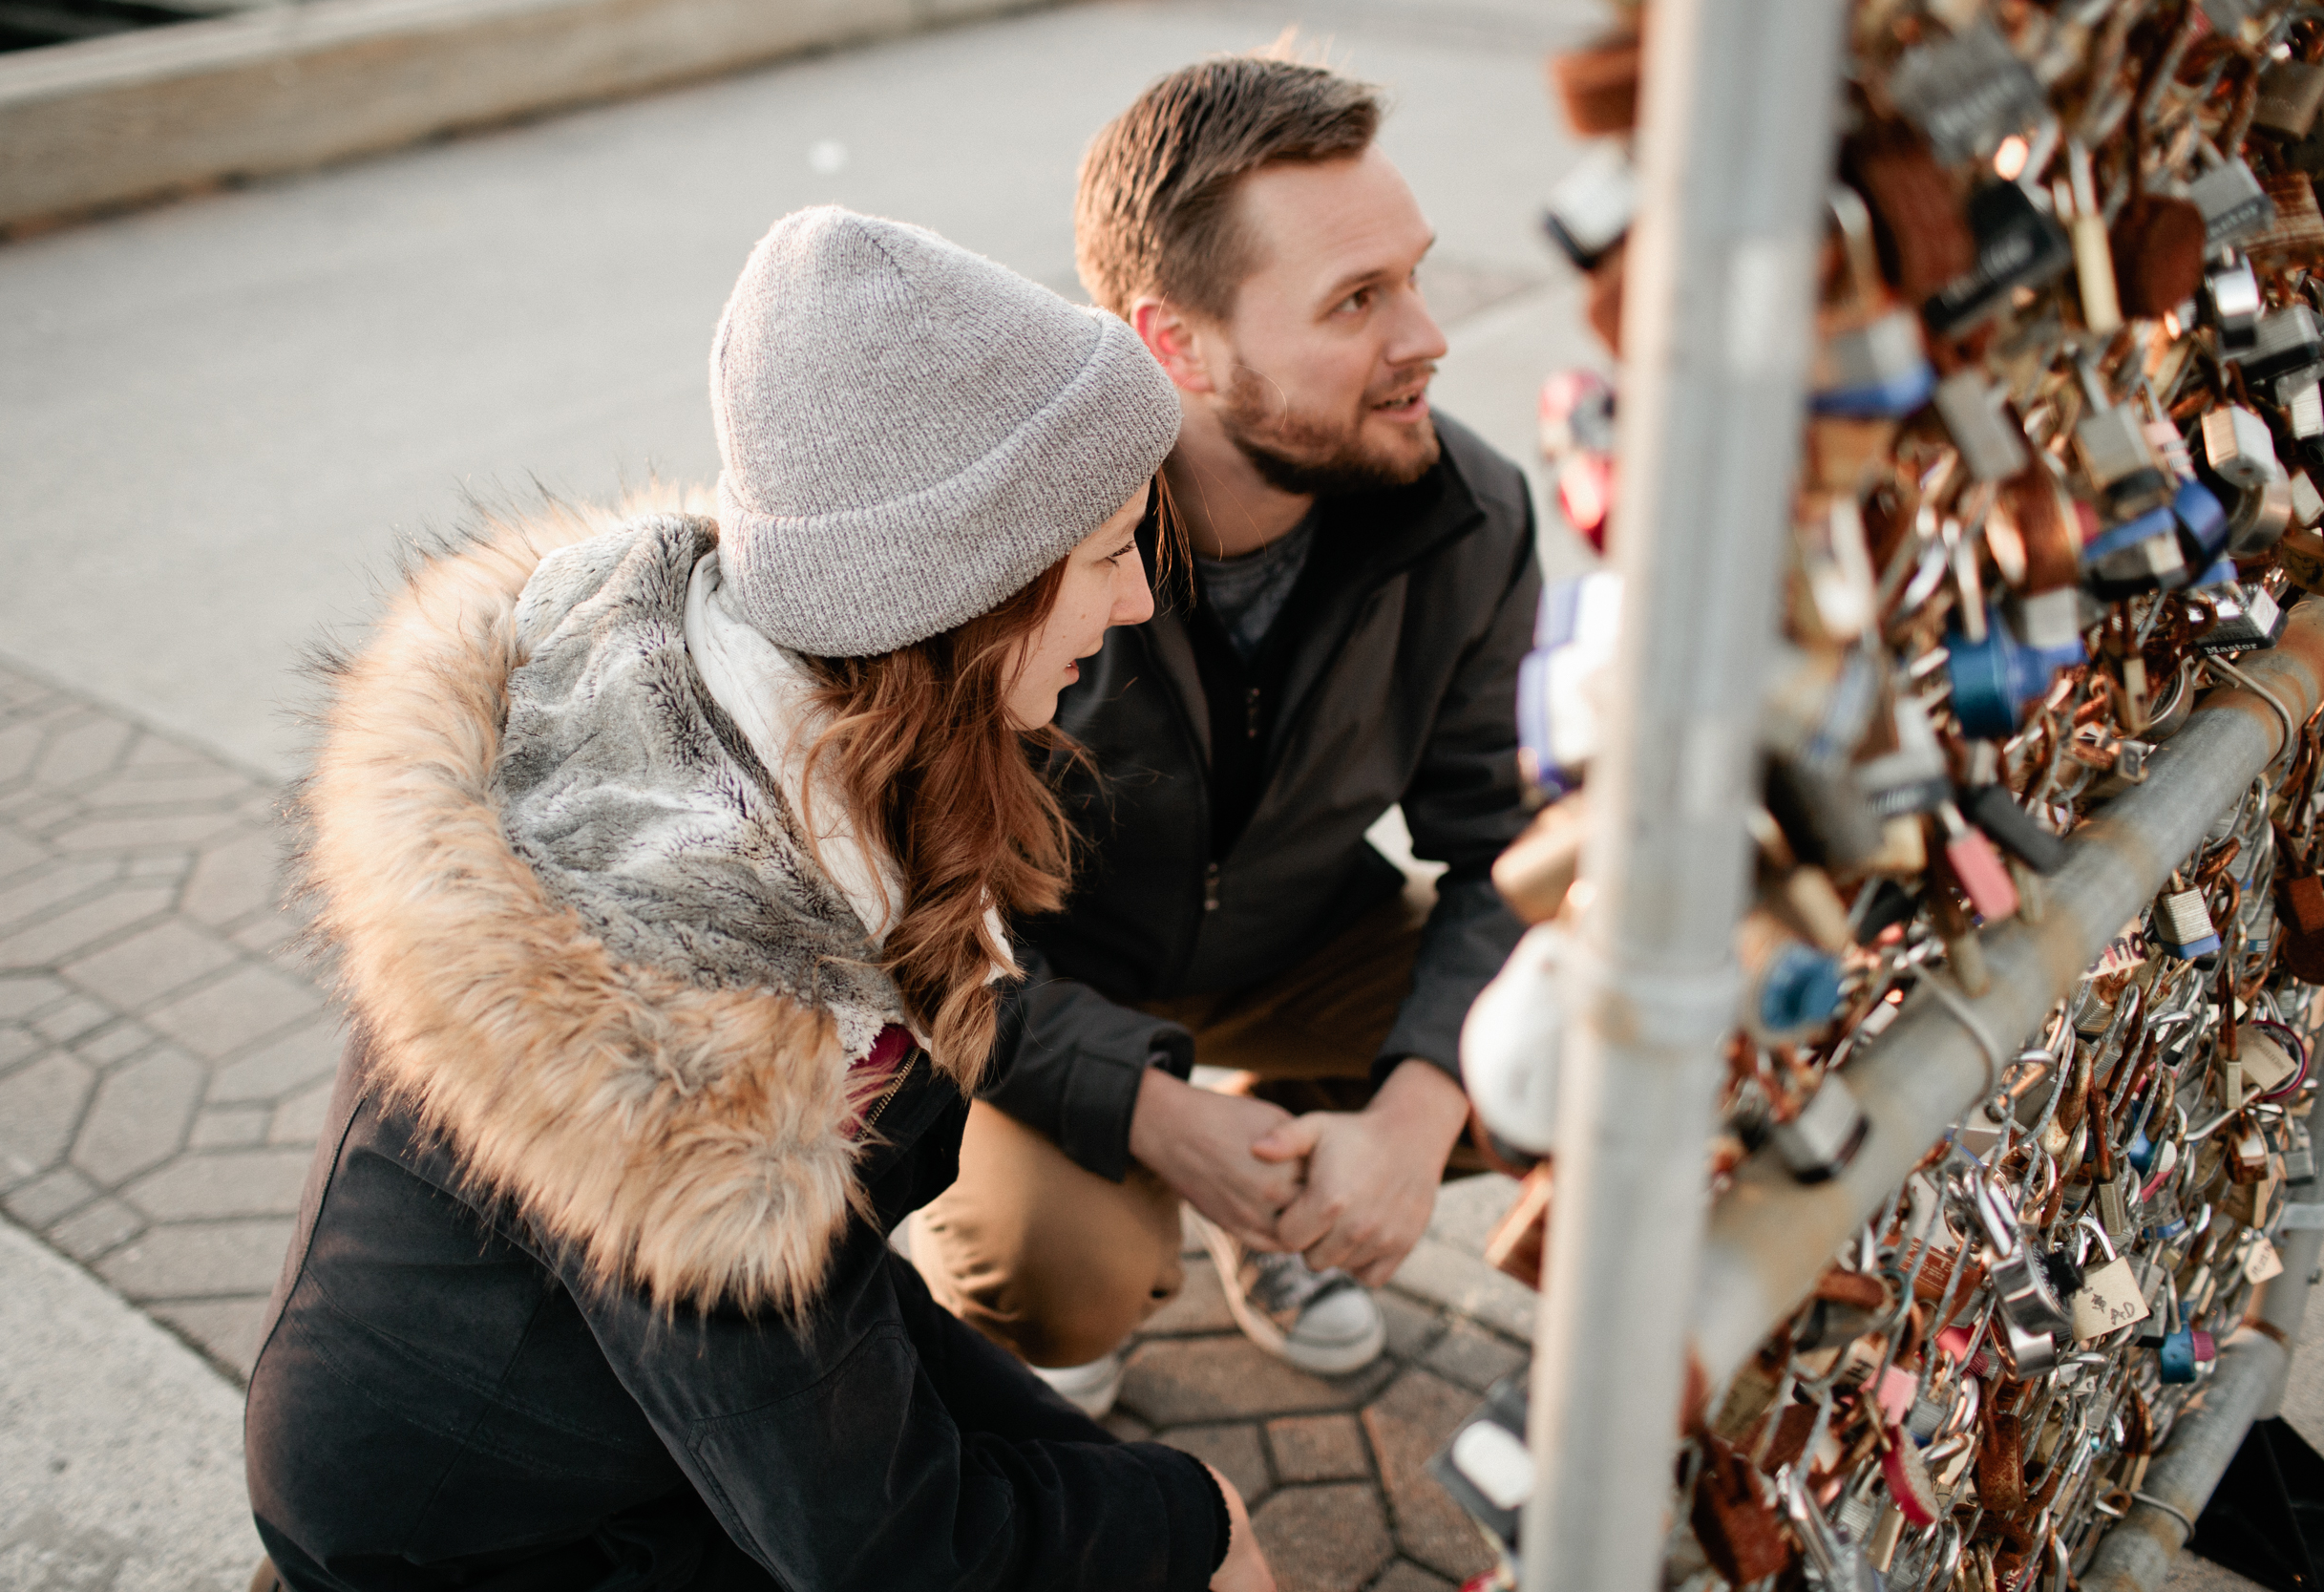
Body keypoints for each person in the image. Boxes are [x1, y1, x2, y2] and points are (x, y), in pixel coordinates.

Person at [243, 207, 1276, 1592]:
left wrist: (1126, 1486)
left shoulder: (771, 772)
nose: (1138, 601)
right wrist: (1187, 1518)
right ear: (965, 600)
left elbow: (843, 1311)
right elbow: (884, 1550)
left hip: (645, 1432)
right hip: (483, 1545)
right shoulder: (709, 1016)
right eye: (1101, 556)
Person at [908, 53, 1542, 1413]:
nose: (1426, 336)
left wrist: (1415, 1115)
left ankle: (1295, 1175)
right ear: (1172, 344)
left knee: (1607, 1055)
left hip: (1293, 946)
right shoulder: (1007, 545)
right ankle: (1091, 1243)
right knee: (1054, 1275)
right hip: (1045, 982)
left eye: (1415, 275)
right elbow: (906, 924)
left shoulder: (1467, 513)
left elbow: (1509, 844)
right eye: (1356, 301)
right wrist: (1150, 1112)